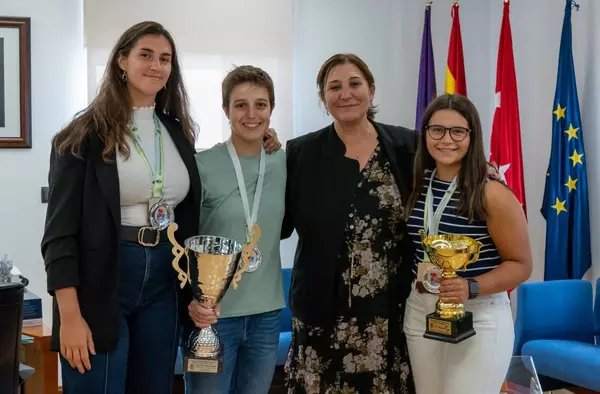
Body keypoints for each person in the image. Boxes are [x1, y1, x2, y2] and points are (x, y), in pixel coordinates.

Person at [40, 22, 280, 394]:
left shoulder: (175, 130)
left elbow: (207, 187)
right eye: (146, 55)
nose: (157, 65)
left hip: (165, 280)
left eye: (165, 59)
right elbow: (58, 235)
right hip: (103, 277)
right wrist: (69, 316)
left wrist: (261, 136)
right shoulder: (82, 135)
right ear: (122, 60)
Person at [282, 53, 416, 393]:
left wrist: (484, 171)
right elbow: (281, 222)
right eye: (334, 87)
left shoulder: (407, 146)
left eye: (354, 84)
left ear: (371, 90)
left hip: (387, 307)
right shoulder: (301, 152)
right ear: (323, 99)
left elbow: (450, 166)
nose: (346, 94)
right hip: (320, 306)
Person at [403, 93, 533, 394]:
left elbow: (522, 265)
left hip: (480, 313)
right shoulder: (417, 183)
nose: (446, 139)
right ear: (425, 134)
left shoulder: (491, 193)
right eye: (437, 130)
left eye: (458, 131)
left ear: (472, 135)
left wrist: (470, 286)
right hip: (421, 309)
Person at [184, 65, 286, 394]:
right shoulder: (201, 166)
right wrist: (192, 299)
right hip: (212, 315)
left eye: (261, 104)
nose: (251, 114)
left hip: (266, 314)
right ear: (226, 109)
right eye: (240, 105)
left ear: (272, 109)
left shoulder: (285, 163)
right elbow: (183, 243)